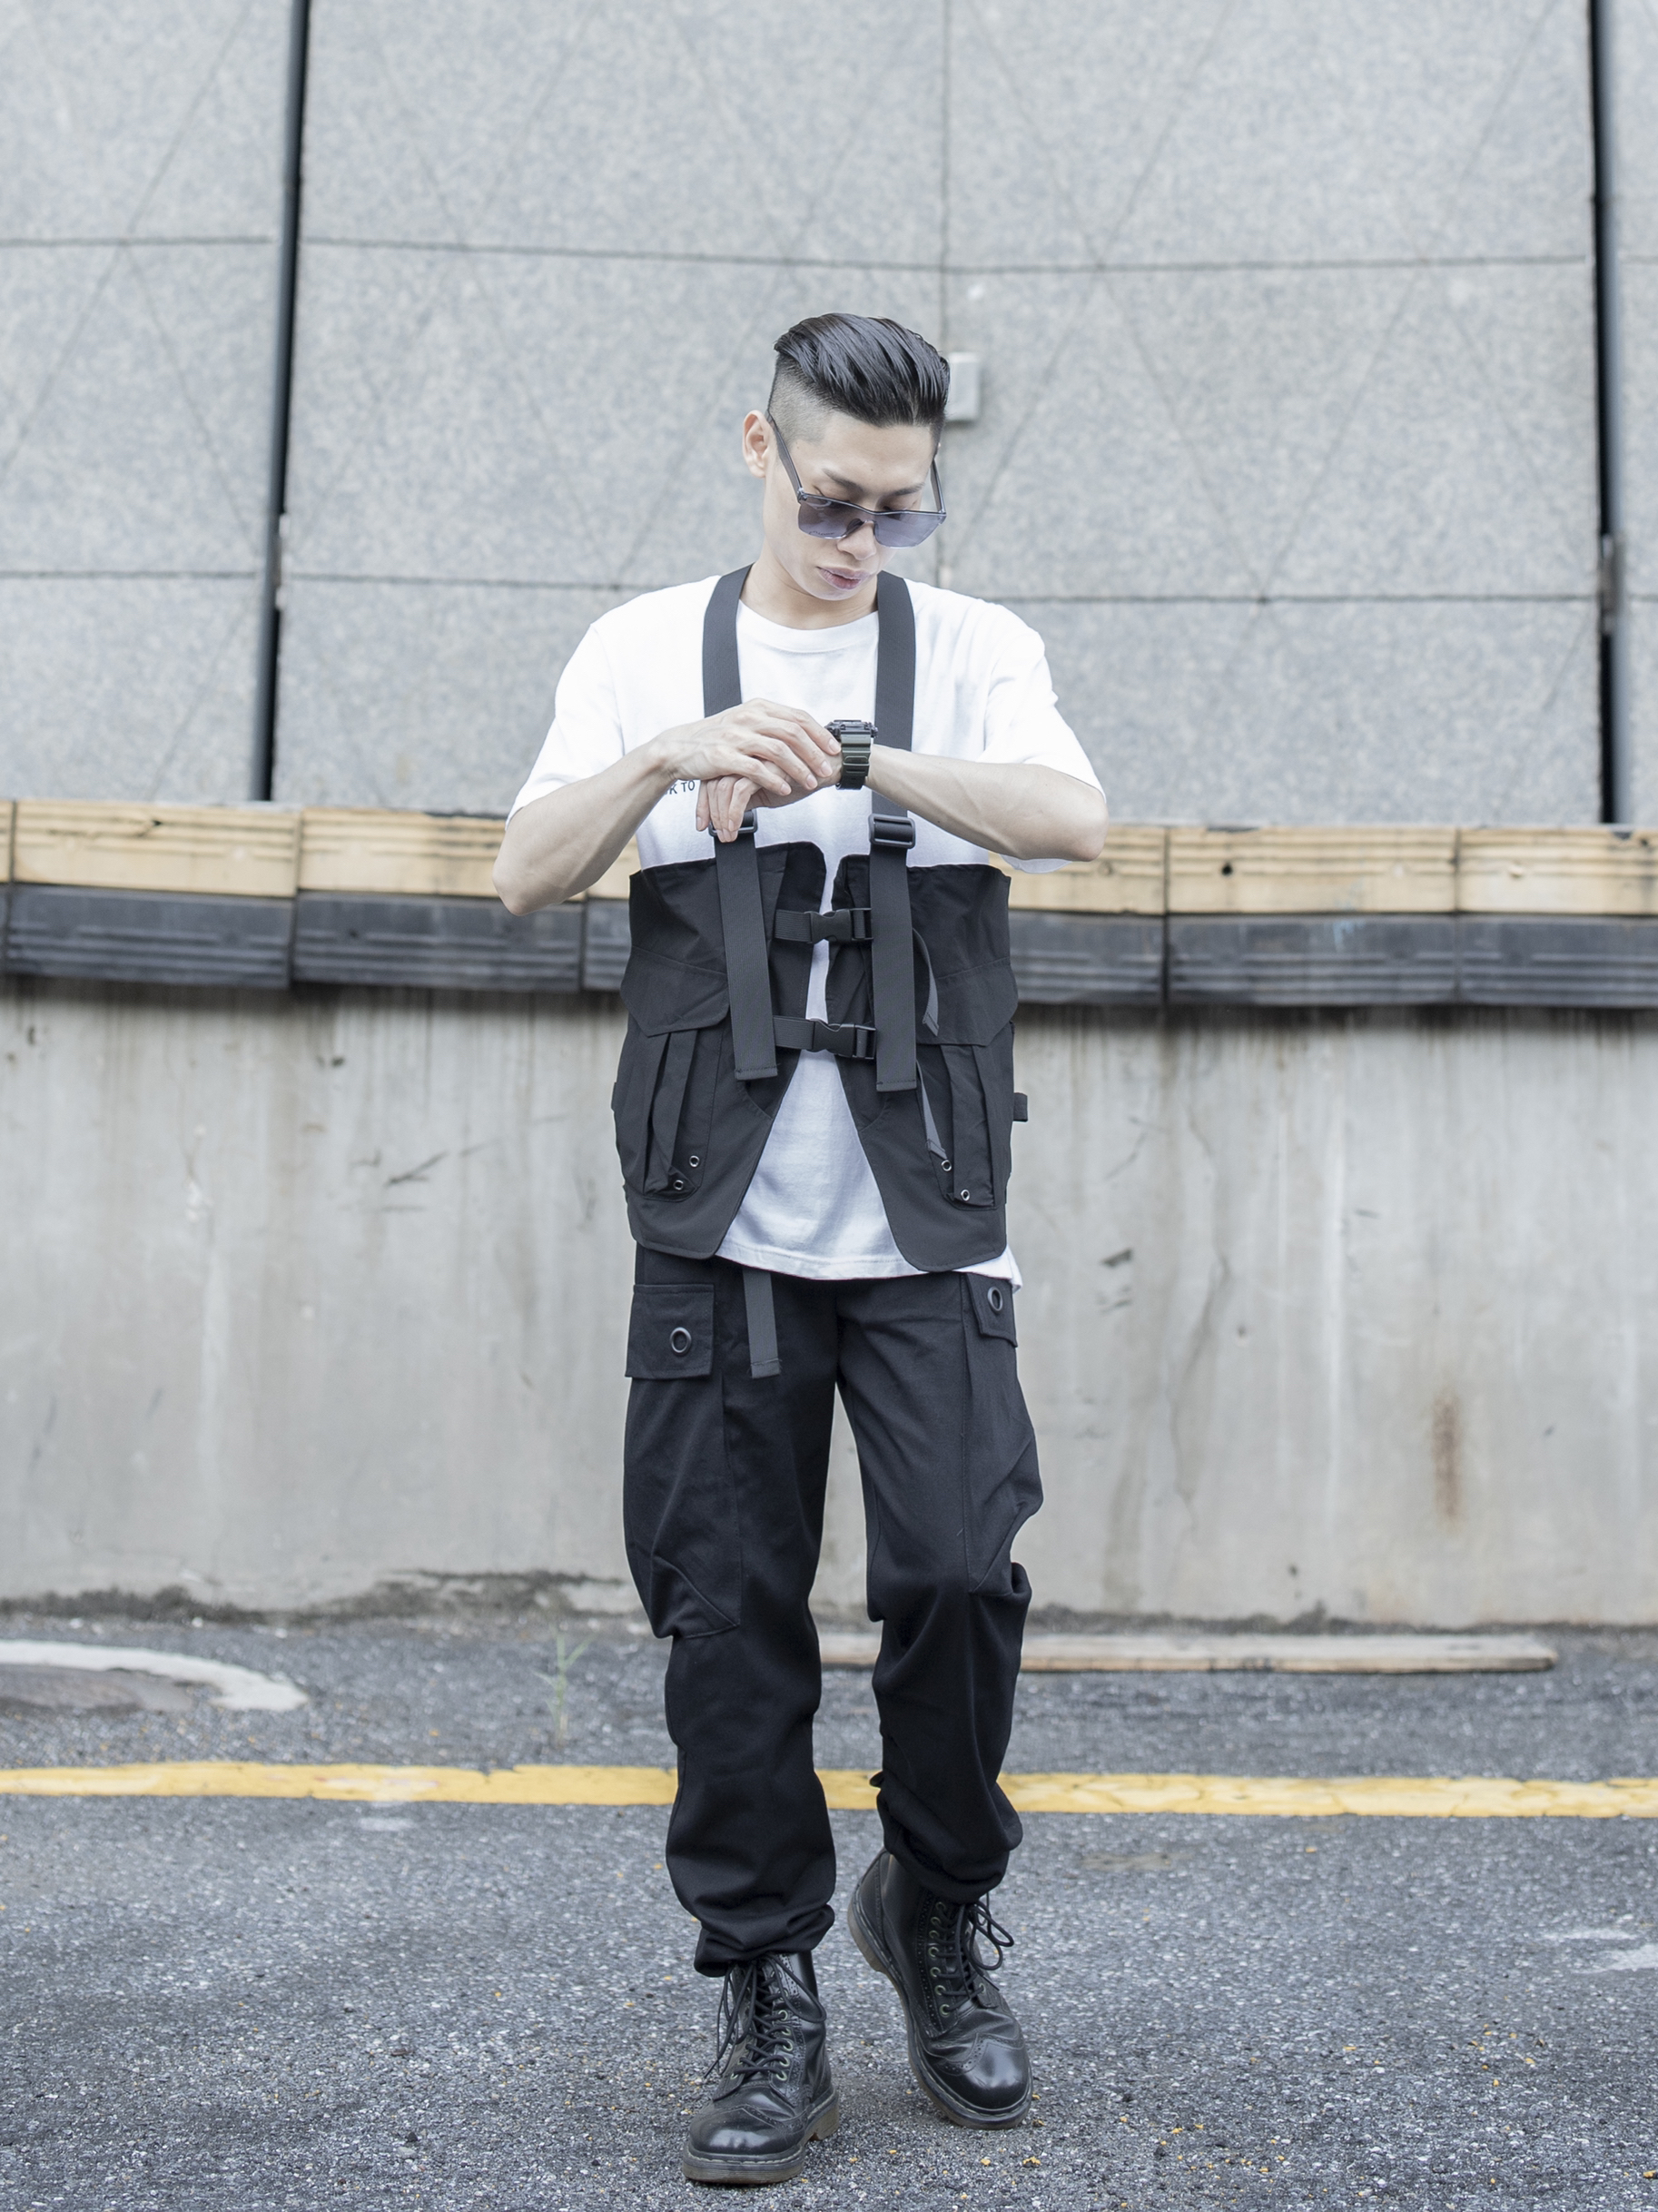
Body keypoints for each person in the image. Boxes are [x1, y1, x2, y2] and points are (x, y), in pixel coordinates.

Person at [495, 313, 1107, 2187]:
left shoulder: (974, 650)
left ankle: (932, 1903)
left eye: (900, 513)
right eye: (836, 503)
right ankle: (765, 1985)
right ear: (758, 448)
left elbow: (1074, 823)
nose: (862, 544)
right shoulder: (641, 646)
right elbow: (523, 871)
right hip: (721, 1226)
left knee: (956, 1576)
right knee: (726, 1617)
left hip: (926, 1221)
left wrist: (865, 756)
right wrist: (666, 760)